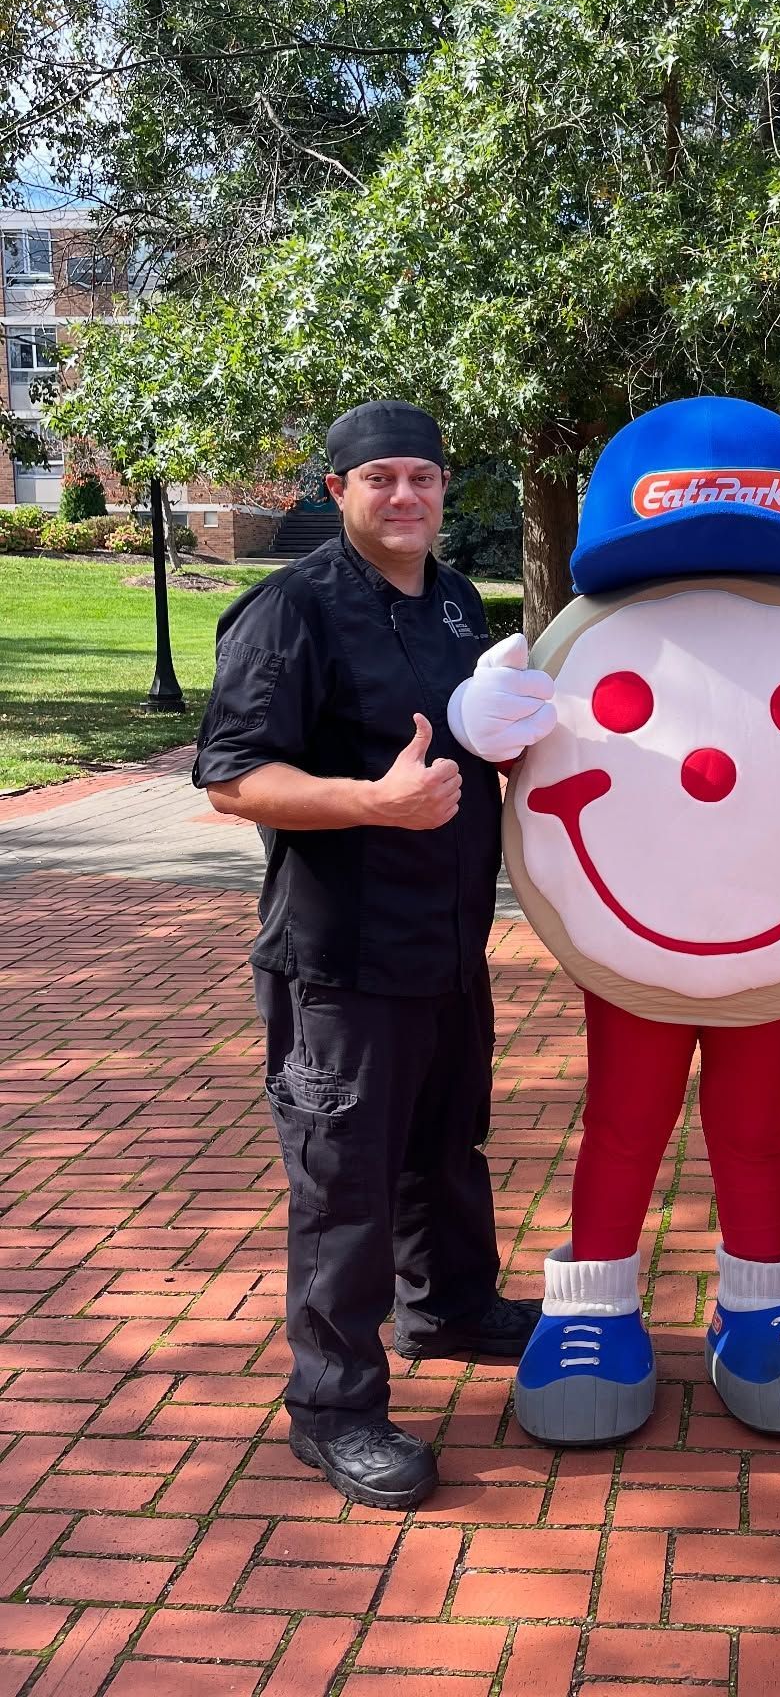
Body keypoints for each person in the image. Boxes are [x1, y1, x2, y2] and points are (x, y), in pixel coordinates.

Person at [194, 399, 557, 1511]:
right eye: (380, 478)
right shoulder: (290, 611)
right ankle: (334, 1405)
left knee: (448, 1142)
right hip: (340, 956)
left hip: (447, 942)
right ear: (338, 489)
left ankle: (447, 1306)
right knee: (342, 1183)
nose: (405, 496)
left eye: (424, 478)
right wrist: (372, 802)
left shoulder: (452, 603)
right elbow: (230, 777)